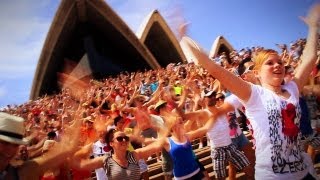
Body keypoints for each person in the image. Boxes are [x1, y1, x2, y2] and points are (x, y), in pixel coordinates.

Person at [180, 3, 320, 179]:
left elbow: (310, 57)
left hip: (303, 173)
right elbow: (213, 68)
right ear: (257, 73)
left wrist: (313, 26)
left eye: (280, 62)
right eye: (269, 63)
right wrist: (184, 38)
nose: (277, 65)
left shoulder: (292, 88)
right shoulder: (253, 93)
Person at [0, 112, 81, 180]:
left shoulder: (24, 171)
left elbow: (67, 149)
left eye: (15, 145)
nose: (10, 150)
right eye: (4, 143)